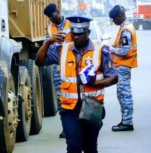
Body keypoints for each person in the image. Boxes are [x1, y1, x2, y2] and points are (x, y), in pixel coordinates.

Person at [36, 15, 118, 152]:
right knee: (74, 146)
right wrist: (48, 42)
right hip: (69, 109)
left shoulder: (100, 51)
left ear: (88, 33)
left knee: (90, 147)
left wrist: (95, 83)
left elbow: (113, 77)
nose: (76, 37)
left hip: (92, 107)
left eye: (80, 34)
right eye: (73, 33)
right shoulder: (62, 50)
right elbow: (39, 62)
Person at [36, 3, 72, 139]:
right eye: (50, 18)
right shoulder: (51, 29)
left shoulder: (72, 24)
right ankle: (66, 128)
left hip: (72, 68)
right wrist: (51, 42)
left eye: (53, 16)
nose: (52, 19)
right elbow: (48, 49)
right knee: (61, 102)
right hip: (59, 71)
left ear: (58, 11)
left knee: (76, 100)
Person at [108, 5, 138, 132]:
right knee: (122, 94)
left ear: (120, 16)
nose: (113, 22)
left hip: (123, 65)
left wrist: (109, 49)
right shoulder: (124, 27)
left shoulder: (126, 30)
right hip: (121, 65)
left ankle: (127, 122)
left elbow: (125, 50)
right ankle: (125, 120)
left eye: (114, 19)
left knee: (124, 94)